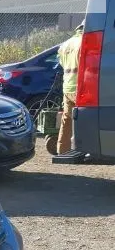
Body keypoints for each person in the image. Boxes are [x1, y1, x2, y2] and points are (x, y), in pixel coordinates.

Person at [56, 22, 84, 155]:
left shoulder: (65, 44)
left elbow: (60, 61)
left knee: (66, 120)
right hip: (81, 86)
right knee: (84, 119)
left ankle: (62, 150)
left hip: (67, 86)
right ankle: (82, 149)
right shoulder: (85, 42)